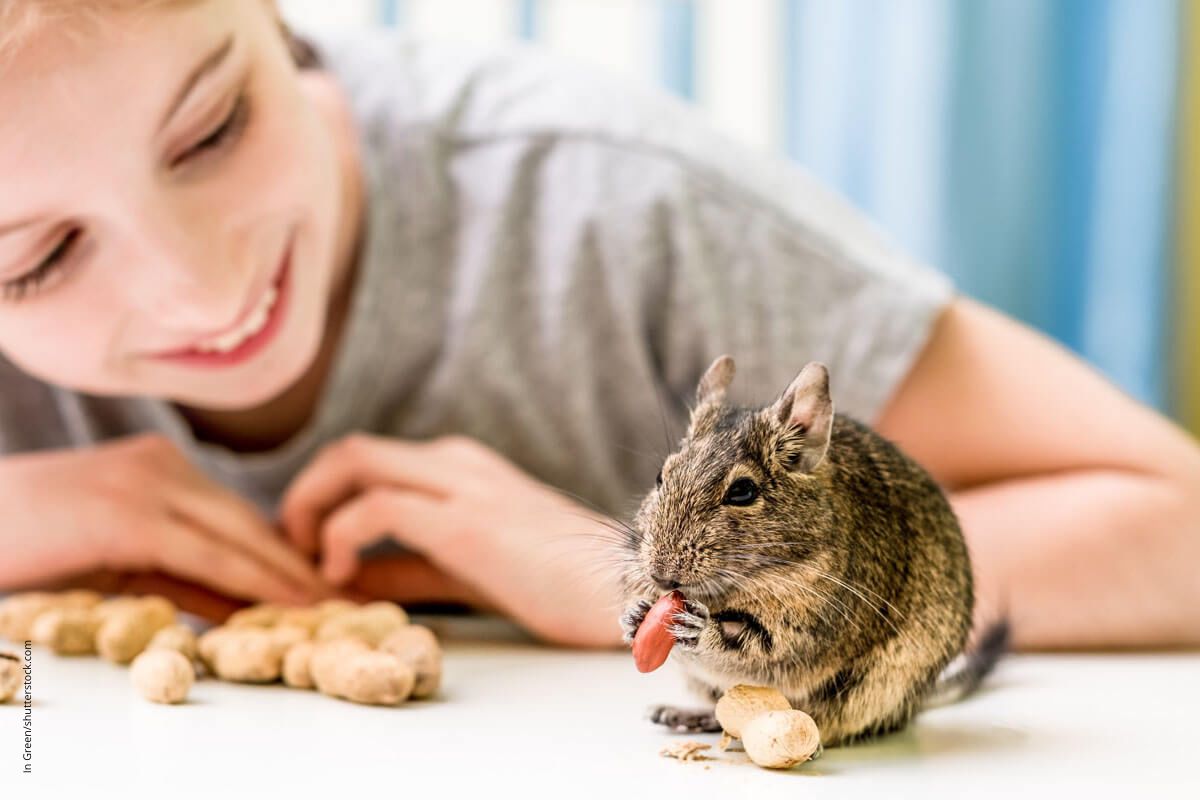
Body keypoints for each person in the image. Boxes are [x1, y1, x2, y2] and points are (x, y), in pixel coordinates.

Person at [1, 0, 1197, 650]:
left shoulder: (614, 205)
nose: (202, 293)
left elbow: (1176, 524)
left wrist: (647, 591)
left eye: (214, 129)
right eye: (38, 259)